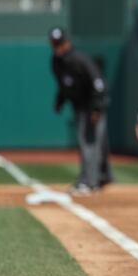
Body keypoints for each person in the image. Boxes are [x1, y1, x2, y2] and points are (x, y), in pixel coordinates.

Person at [49, 27, 113, 195]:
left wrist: (97, 107)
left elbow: (98, 82)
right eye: (54, 44)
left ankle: (91, 182)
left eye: (60, 43)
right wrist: (60, 101)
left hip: (93, 104)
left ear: (67, 42)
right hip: (79, 106)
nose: (57, 47)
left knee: (92, 143)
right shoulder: (57, 62)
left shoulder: (80, 59)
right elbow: (63, 86)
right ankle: (95, 178)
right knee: (87, 143)